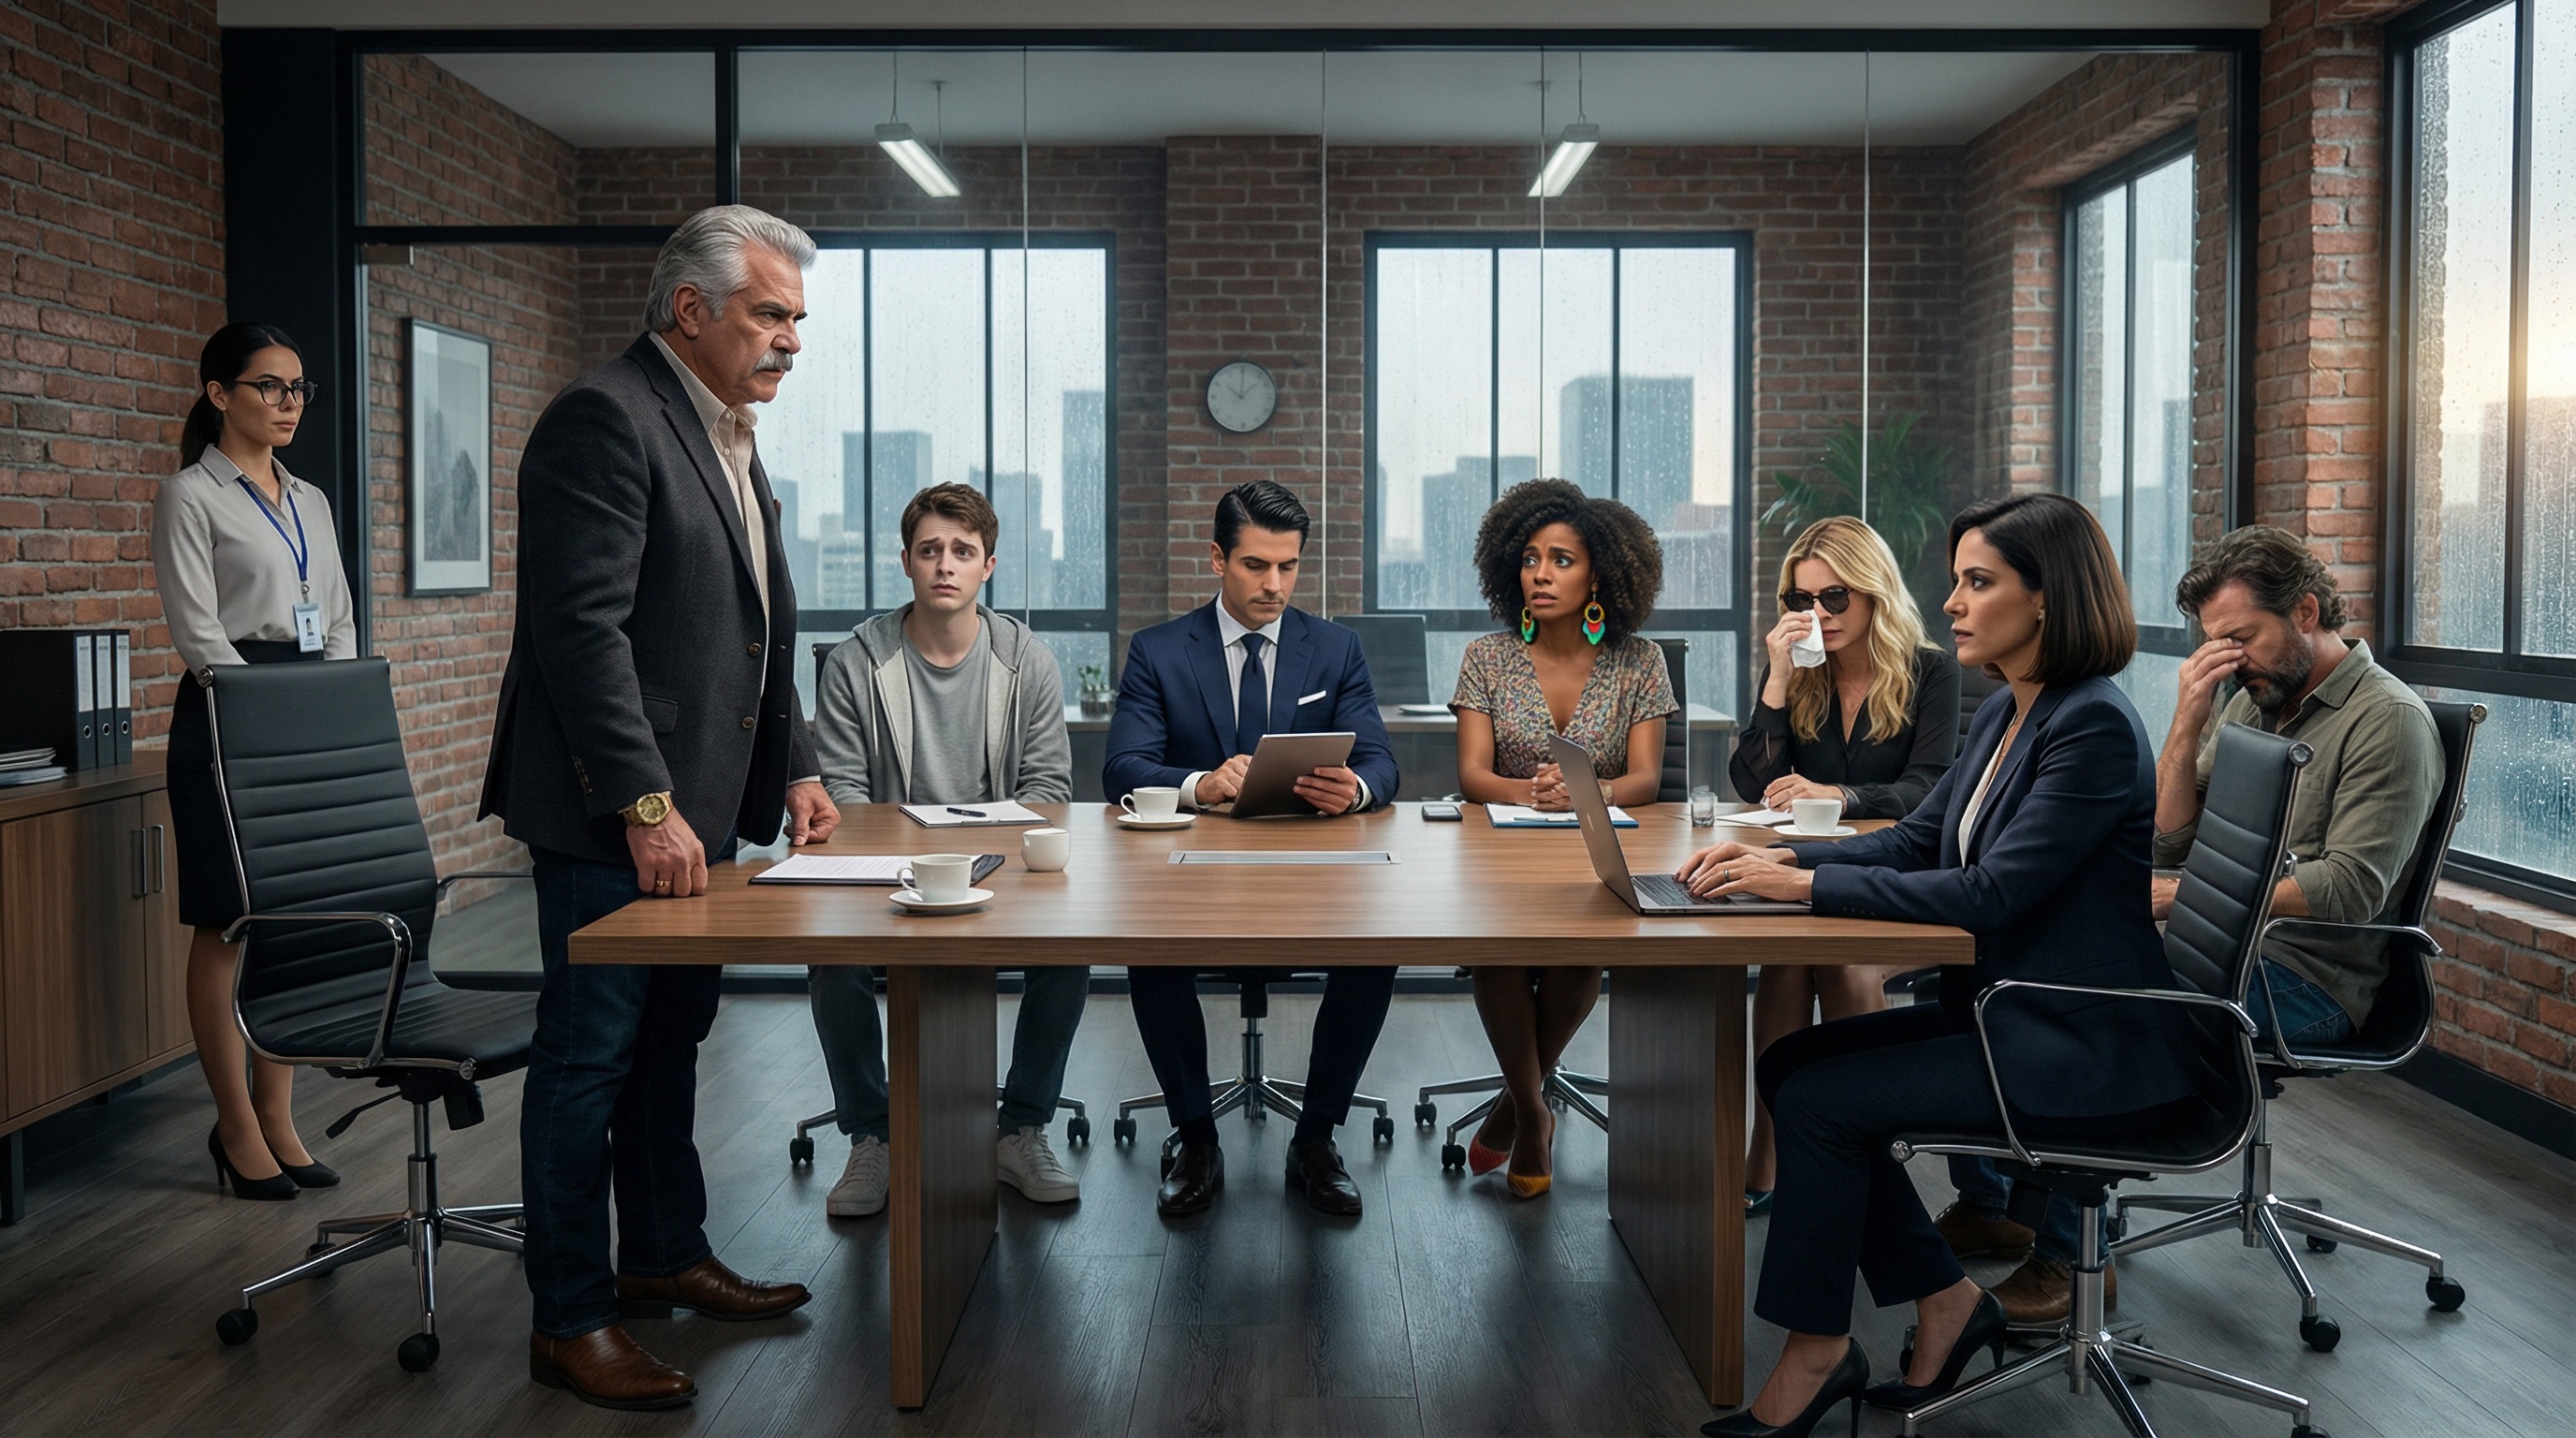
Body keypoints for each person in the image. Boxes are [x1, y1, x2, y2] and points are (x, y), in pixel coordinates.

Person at [1675, 493, 2196, 1437]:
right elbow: (1916, 841)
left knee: (1823, 1102)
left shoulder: (2090, 728)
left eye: (1977, 582)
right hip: (2011, 1016)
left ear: (2047, 600)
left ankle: (1816, 1354)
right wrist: (1781, 864)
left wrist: (1799, 890)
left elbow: (1990, 893)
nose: (1951, 602)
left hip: (2075, 1039)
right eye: (1955, 580)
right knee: (1793, 1067)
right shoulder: (2011, 711)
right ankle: (1946, 1303)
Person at [480, 205, 842, 1412]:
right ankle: (570, 1317)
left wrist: (787, 766)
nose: (791, 340)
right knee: (587, 1061)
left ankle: (662, 1256)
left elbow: (757, 629)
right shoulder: (605, 418)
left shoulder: (728, 431)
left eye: (797, 318)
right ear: (692, 311)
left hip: (700, 817)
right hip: (611, 816)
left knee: (668, 1046)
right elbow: (579, 637)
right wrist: (642, 799)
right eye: (769, 315)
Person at [1945, 524, 2447, 1327]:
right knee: (2028, 962)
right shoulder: (2253, 698)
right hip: (2216, 945)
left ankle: (2073, 1262)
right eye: (2217, 642)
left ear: (2308, 611)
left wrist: (2187, 898)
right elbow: (2168, 836)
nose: (2232, 656)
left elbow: (2351, 887)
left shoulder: (2387, 721)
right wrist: (2187, 716)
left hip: (2306, 978)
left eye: (2242, 637)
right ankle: (2010, 1200)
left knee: (2086, 996)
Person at [1103, 479, 1399, 1219]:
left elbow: (1383, 764)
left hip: (1314, 873)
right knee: (1150, 948)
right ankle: (1196, 1136)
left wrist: (1355, 791)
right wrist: (1202, 783)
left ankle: (1318, 1137)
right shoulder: (1160, 651)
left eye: (1288, 567)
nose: (1274, 585)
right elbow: (1122, 768)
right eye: (1256, 566)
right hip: (1191, 877)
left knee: (1378, 947)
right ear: (1216, 560)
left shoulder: (1335, 650)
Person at [808, 481, 1081, 1219]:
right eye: (930, 550)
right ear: (906, 561)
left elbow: (1049, 788)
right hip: (888, 876)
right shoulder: (858, 663)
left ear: (988, 565)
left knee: (1071, 951)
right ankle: (874, 1137)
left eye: (963, 551)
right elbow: (843, 800)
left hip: (1005, 874)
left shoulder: (1027, 659)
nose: (945, 566)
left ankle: (1020, 1128)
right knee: (830, 957)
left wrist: (976, 849)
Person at [151, 322, 358, 1204]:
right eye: (269, 387)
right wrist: (267, 714)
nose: (287, 404)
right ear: (219, 394)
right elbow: (199, 632)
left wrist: (338, 706)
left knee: (297, 922)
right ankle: (235, 1124)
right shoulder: (190, 496)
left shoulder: (309, 497)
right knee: (229, 922)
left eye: (299, 389)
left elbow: (340, 612)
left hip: (311, 709)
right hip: (231, 713)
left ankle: (280, 1117)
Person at [1448, 477, 1675, 1197]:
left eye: (1562, 560)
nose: (1540, 575)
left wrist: (1586, 794)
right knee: (1499, 956)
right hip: (1503, 849)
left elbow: (1644, 778)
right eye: (1530, 559)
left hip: (1598, 847)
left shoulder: (1640, 662)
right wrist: (1532, 793)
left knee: (1583, 946)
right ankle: (1534, 1111)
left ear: (1600, 573)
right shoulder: (1487, 656)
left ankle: (1518, 1107)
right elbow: (1474, 775)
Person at [1731, 516, 1960, 1214]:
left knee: (1831, 958)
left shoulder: (1930, 670)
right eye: (1801, 601)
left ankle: (1850, 1160)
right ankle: (1778, 1147)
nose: (1817, 615)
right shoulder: (1804, 674)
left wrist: (1842, 793)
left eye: (1834, 599)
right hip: (1818, 861)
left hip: (1903, 866)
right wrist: (1776, 678)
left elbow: (1930, 788)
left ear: (1873, 595)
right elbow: (1750, 781)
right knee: (1787, 955)